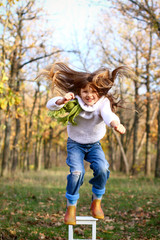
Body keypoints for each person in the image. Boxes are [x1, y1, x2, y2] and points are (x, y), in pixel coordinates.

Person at [39, 62, 130, 225]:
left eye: (93, 92)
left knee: (103, 168)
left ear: (99, 92)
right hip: (75, 144)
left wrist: (116, 124)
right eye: (85, 91)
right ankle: (71, 207)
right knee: (76, 173)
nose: (89, 95)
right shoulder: (74, 101)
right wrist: (62, 100)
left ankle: (96, 202)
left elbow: (108, 114)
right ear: (79, 91)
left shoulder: (103, 102)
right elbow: (50, 105)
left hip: (94, 144)